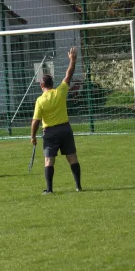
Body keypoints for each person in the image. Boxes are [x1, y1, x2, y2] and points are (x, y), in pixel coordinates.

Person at [30, 47, 83, 194]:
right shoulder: (60, 92)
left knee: (49, 160)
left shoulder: (40, 101)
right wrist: (72, 60)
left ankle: (50, 189)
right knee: (72, 157)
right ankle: (78, 186)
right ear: (52, 83)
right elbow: (69, 75)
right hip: (65, 129)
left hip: (50, 132)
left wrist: (33, 136)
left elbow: (35, 121)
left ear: (42, 85)